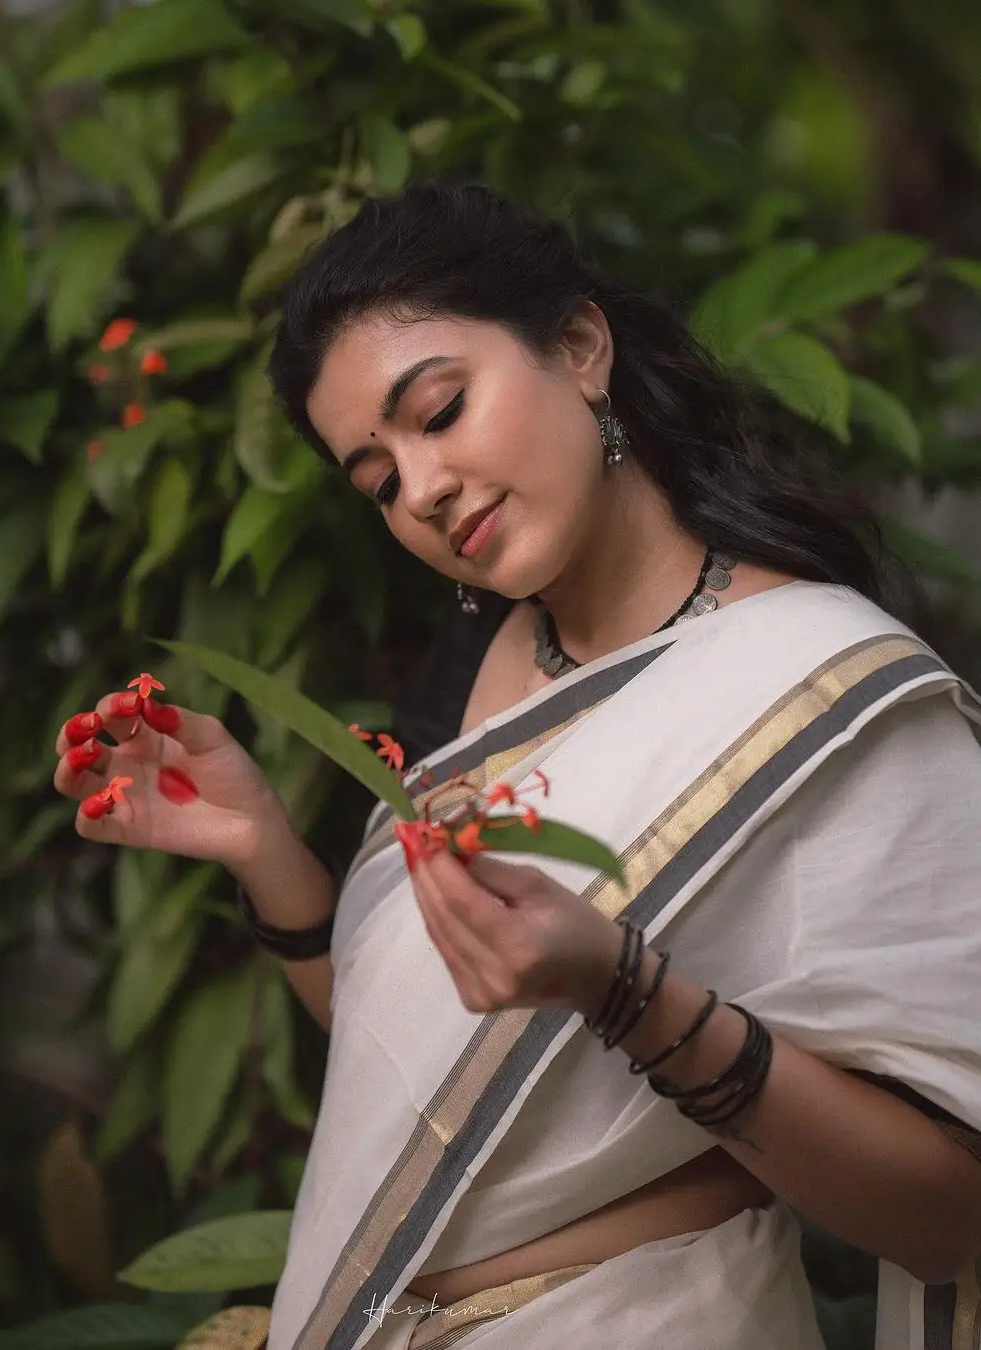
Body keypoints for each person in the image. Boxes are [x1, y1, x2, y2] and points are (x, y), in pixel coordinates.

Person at [54, 182, 981, 1350]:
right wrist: (263, 849)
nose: (425, 487)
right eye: (380, 481)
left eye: (438, 410)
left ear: (581, 347)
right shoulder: (477, 670)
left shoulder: (821, 692)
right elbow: (454, 1092)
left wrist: (628, 994)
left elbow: (953, 1218)